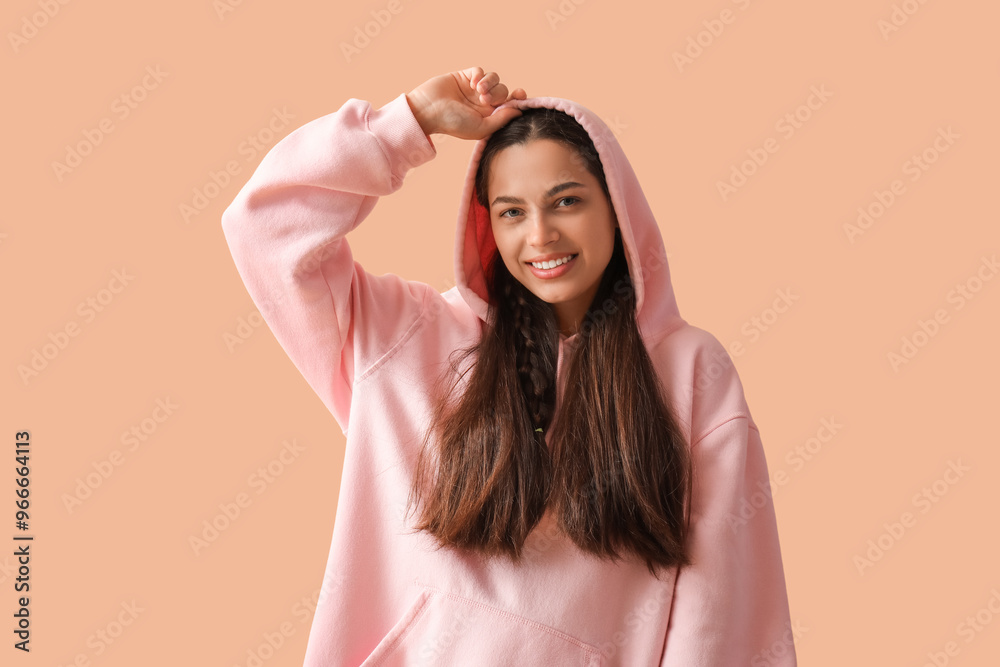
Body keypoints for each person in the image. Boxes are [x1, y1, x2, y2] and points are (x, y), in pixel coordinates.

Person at [221, 66, 796, 666]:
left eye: (566, 202)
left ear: (616, 206)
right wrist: (407, 123)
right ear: (487, 225)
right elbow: (265, 227)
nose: (541, 235)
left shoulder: (689, 370)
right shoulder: (404, 337)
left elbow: (724, 616)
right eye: (511, 212)